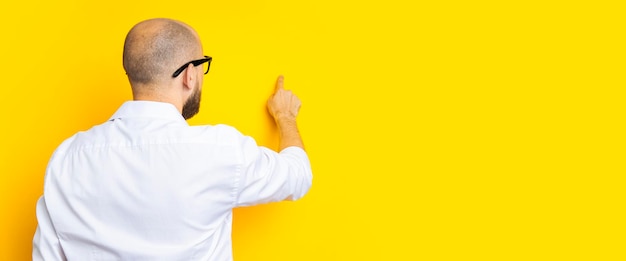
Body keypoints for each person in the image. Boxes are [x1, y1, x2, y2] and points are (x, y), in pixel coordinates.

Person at [32, 18, 312, 260]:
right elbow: (297, 176)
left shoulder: (67, 158)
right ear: (190, 74)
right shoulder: (219, 152)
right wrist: (285, 116)